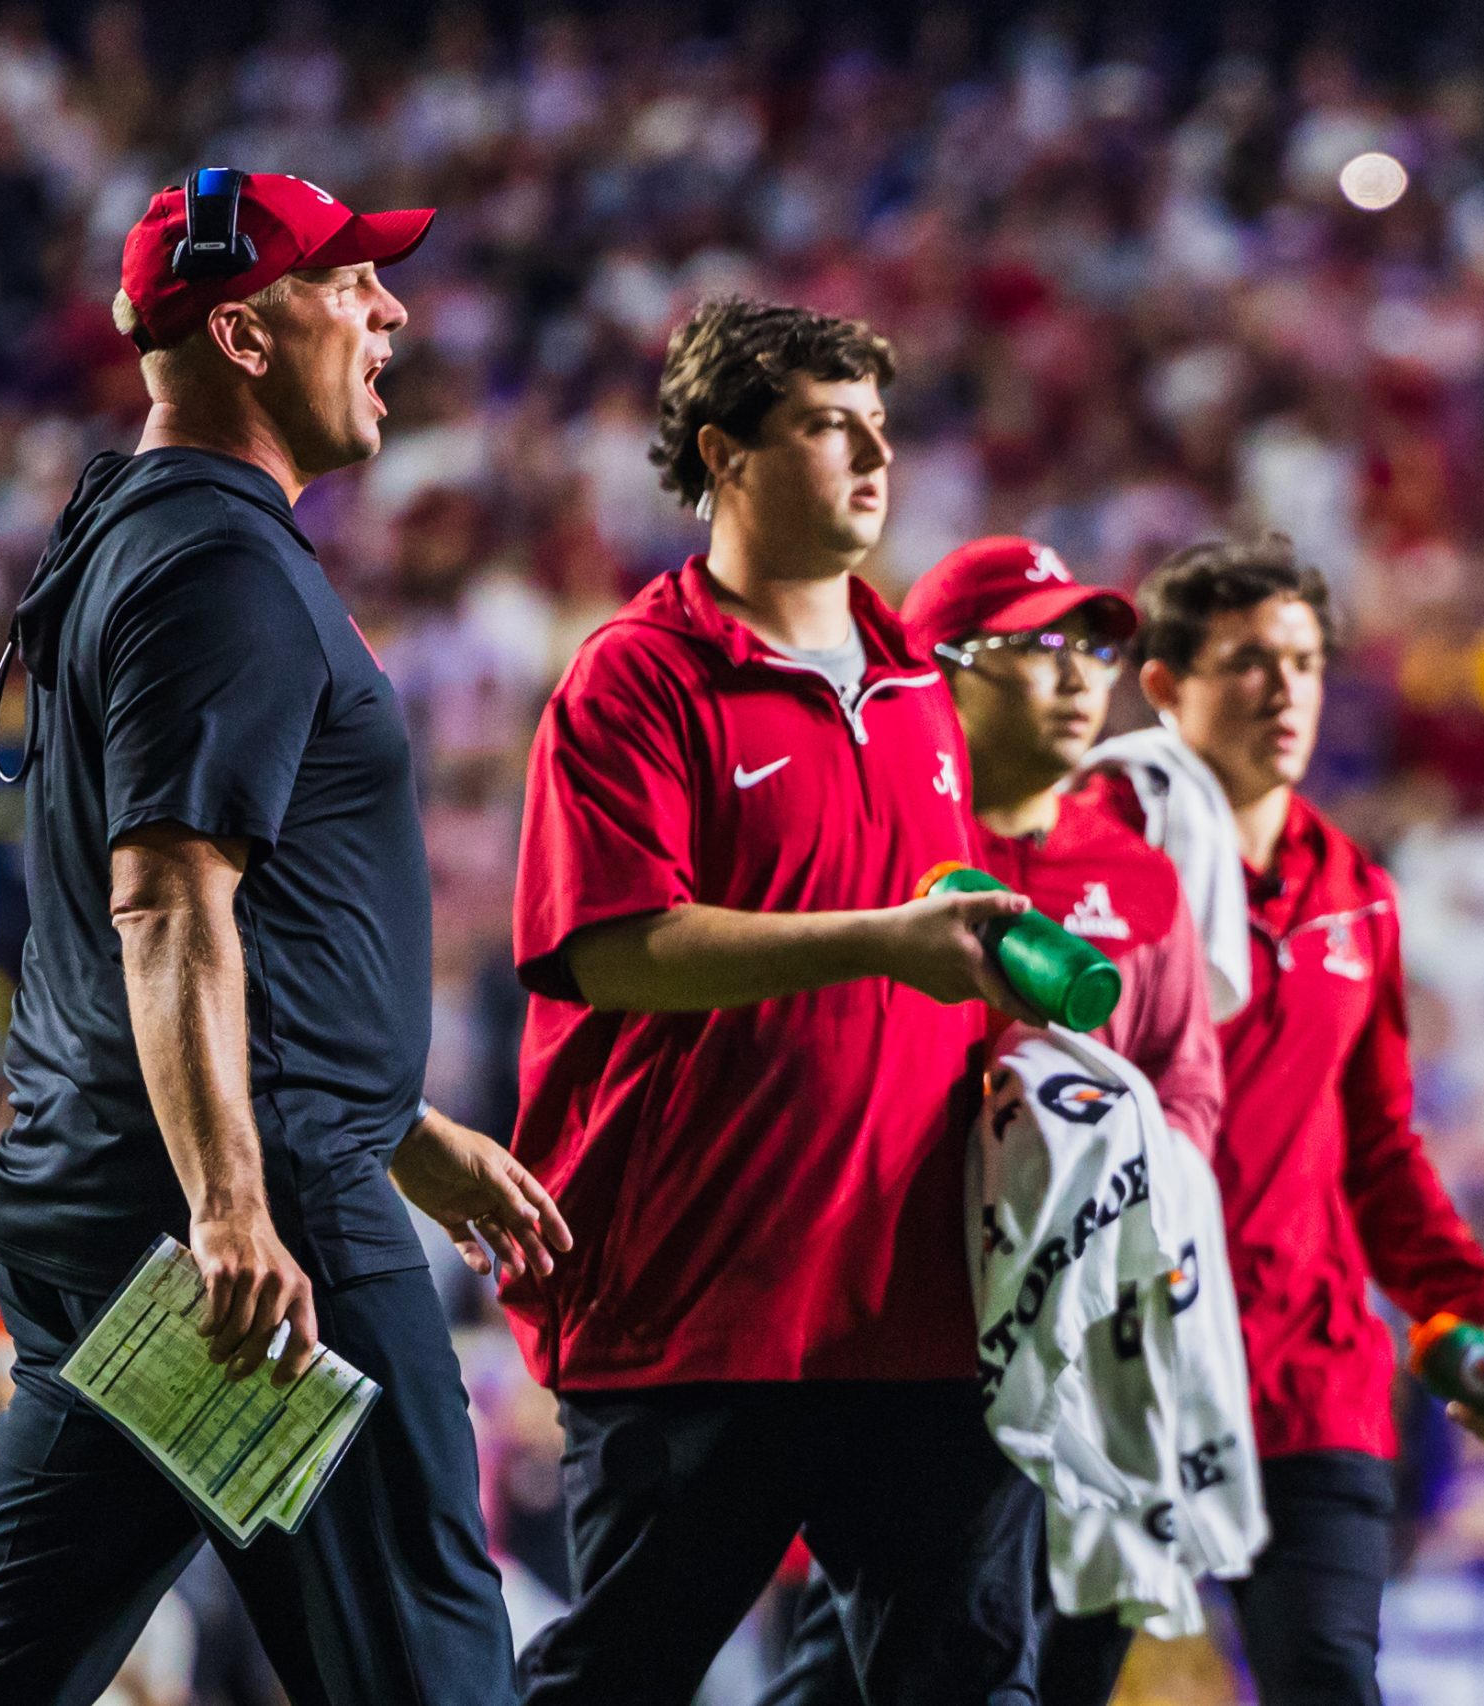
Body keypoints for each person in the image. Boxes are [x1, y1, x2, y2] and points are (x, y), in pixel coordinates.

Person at [0, 168, 568, 1706]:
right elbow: (169, 899)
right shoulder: (226, 564)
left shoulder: (137, 535)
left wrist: (397, 1124)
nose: (388, 312)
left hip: (124, 1202)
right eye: (350, 285)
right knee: (432, 1660)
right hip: (243, 1239)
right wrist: (243, 1203)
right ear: (249, 335)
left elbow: (246, 927)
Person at [506, 298, 1044, 1706]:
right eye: (827, 425)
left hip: (913, 1304)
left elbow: (941, 968)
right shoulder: (638, 674)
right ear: (722, 453)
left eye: (881, 428)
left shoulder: (924, 683)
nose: (875, 457)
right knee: (616, 1681)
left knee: (969, 1685)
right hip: (698, 1296)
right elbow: (613, 947)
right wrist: (879, 941)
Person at [760, 535, 1228, 1706]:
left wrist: (1131, 1191)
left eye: (1095, 647)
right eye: (1040, 646)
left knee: (1001, 1661)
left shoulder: (1138, 871)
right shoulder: (868, 844)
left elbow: (1183, 1080)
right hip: (895, 1330)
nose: (1082, 675)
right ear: (941, 668)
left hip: (1074, 1334)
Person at [1077, 535, 1484, 1705]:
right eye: (1246, 661)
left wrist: (1470, 1300)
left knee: (1329, 1675)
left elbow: (1380, 1146)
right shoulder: (1086, 860)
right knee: (1035, 1683)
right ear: (1165, 685)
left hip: (1307, 1365)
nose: (1283, 689)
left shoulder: (1358, 893)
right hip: (1113, 1364)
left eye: (1302, 660)